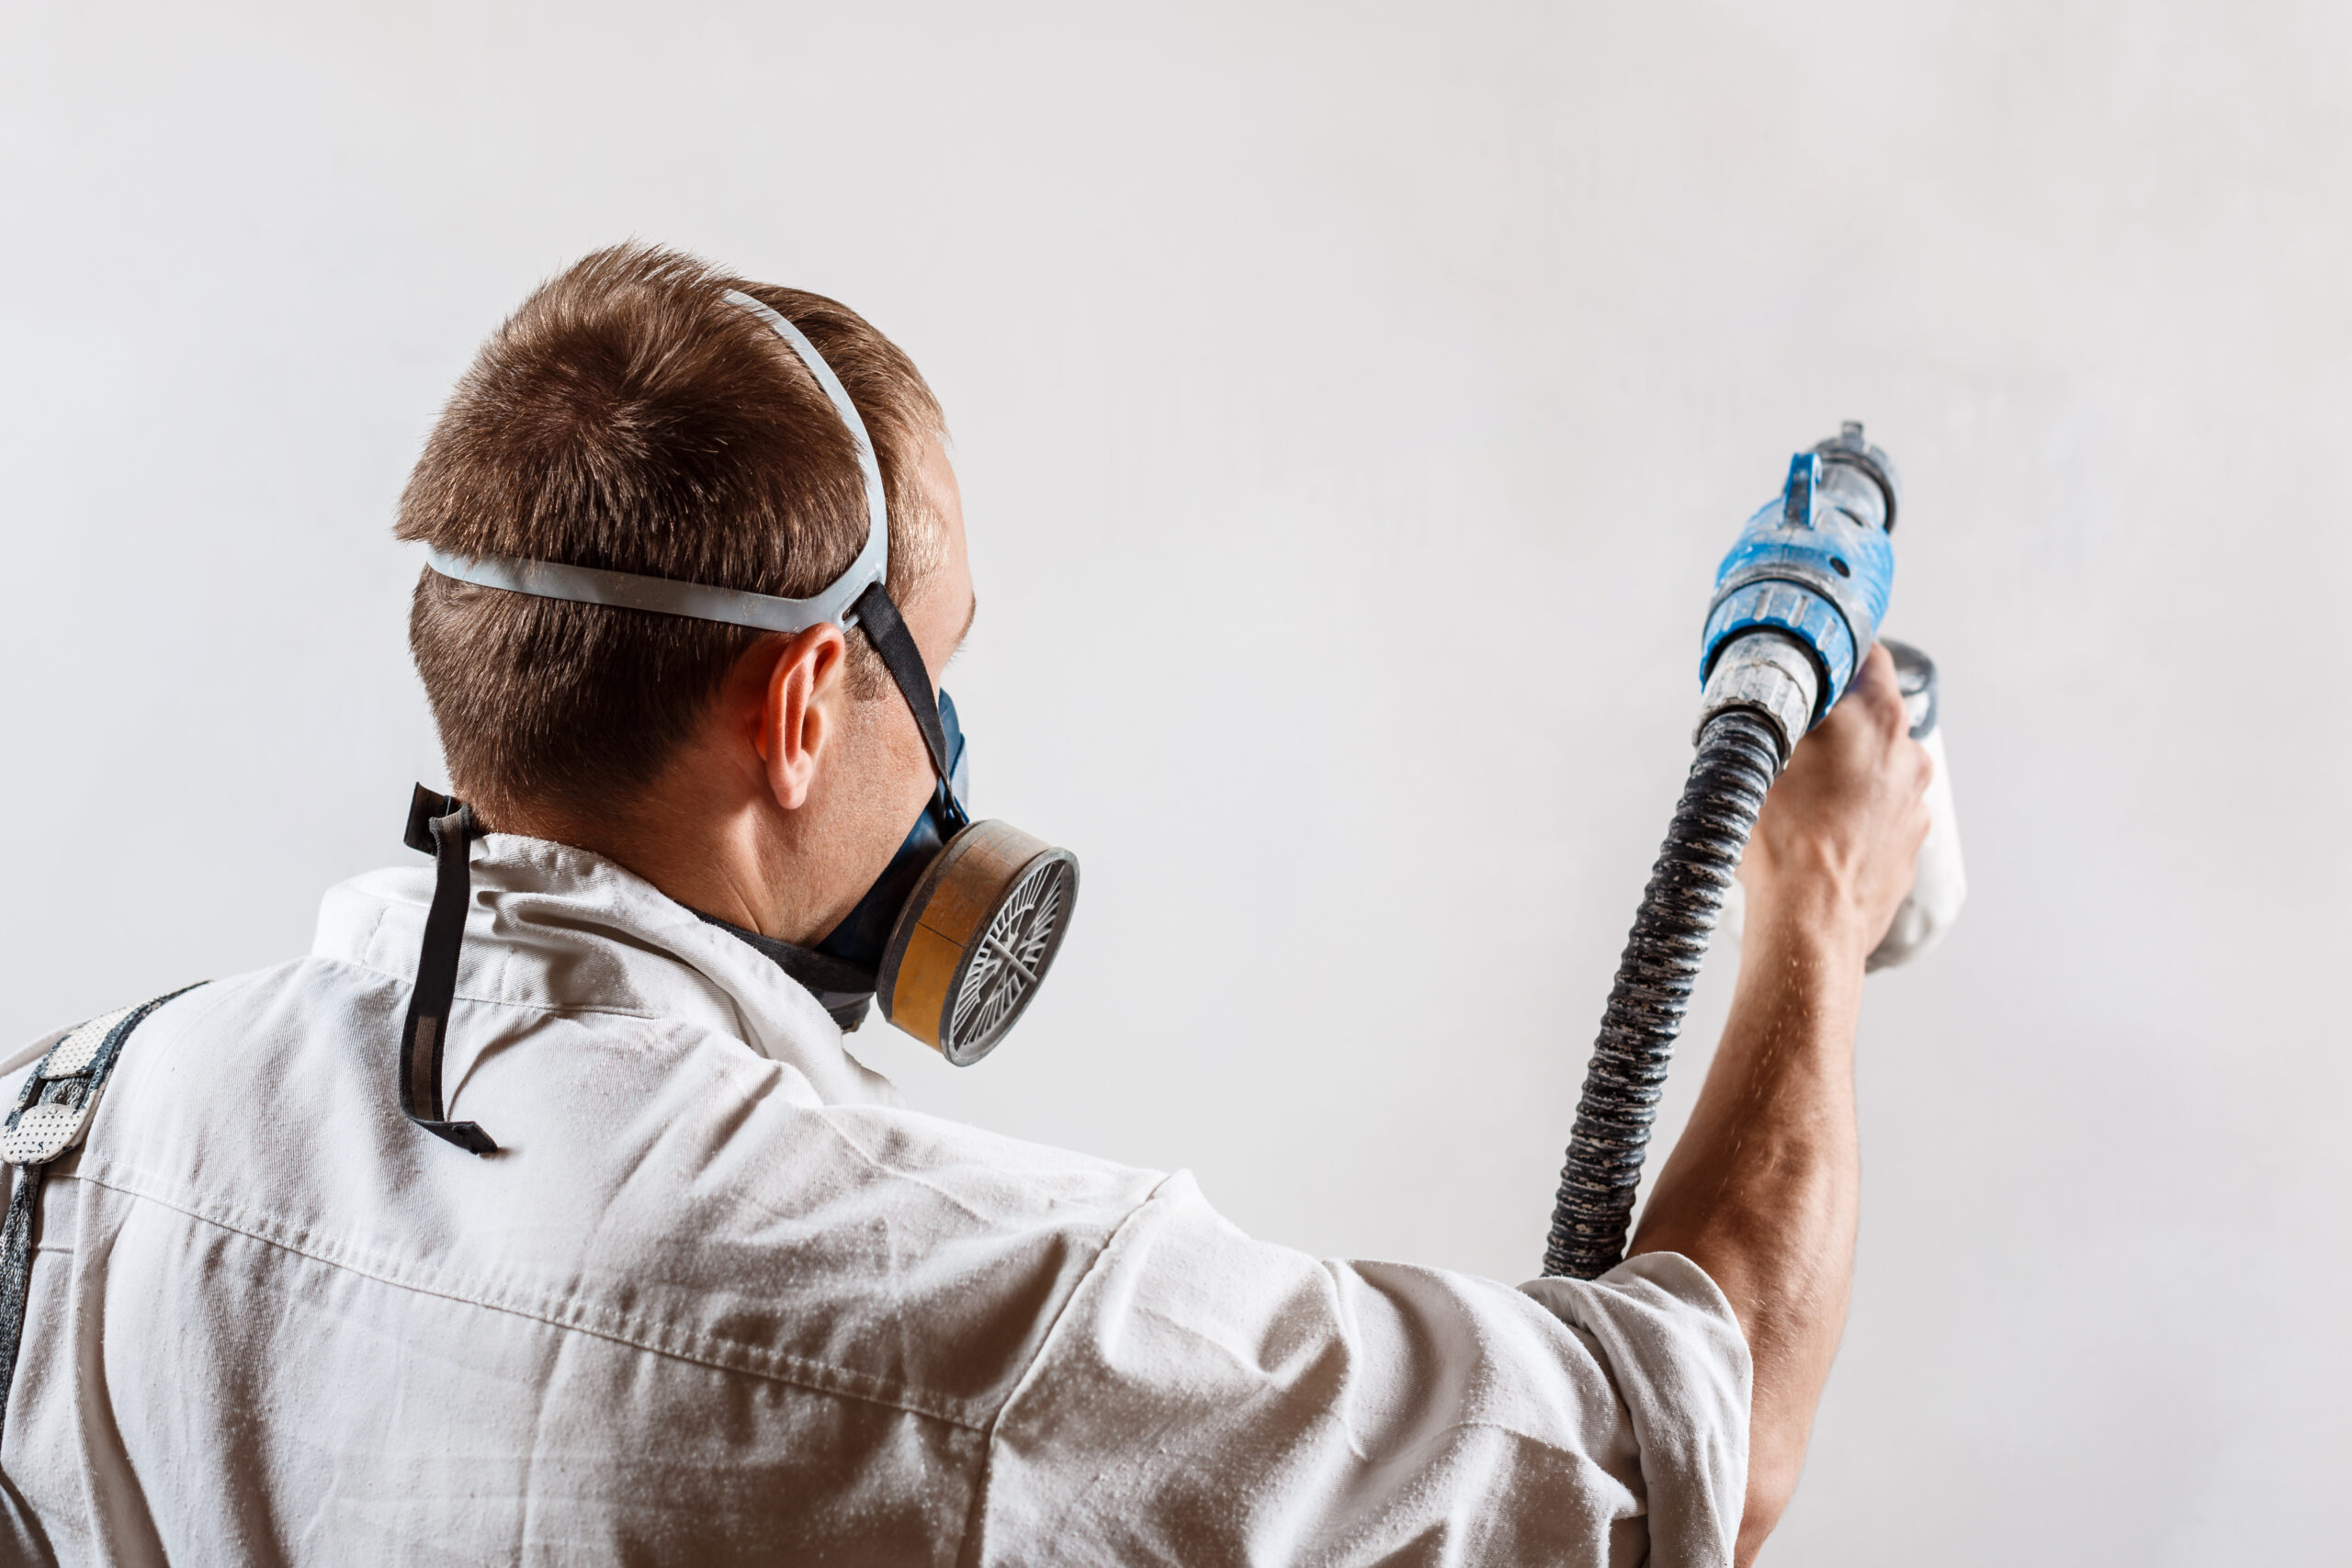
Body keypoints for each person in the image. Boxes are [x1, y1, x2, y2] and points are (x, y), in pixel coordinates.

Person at [0, 243, 1929, 1567]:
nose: (948, 763)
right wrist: (1818, 893)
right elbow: (1695, 1446)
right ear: (798, 709)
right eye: (936, 670)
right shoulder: (962, 1316)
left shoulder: (92, 1121)